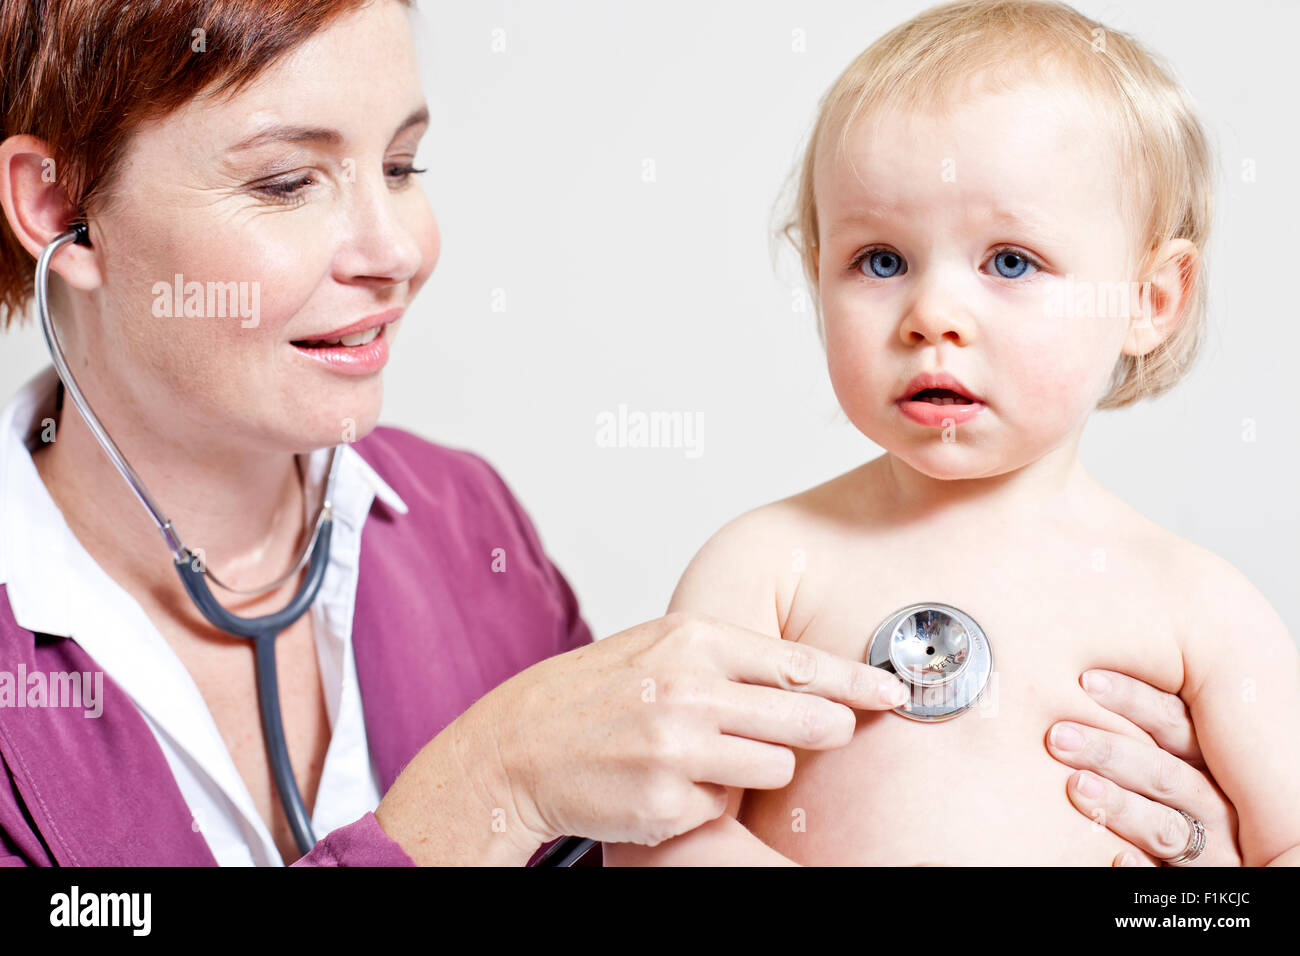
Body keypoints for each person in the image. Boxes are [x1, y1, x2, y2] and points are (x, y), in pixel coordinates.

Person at [0, 0, 1243, 867]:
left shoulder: (461, 524)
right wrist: (473, 800)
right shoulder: (779, 556)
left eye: (406, 166)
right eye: (287, 180)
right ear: (59, 204)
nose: (396, 253)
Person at [605, 0, 1300, 868]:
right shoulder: (766, 566)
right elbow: (651, 837)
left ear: (1149, 300)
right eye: (880, 260)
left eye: (1011, 261)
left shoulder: (1200, 608)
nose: (932, 315)